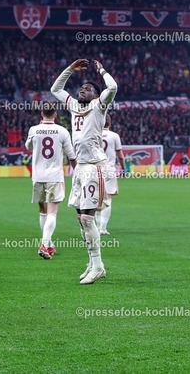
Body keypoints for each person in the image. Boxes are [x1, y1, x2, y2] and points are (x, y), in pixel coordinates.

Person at [51, 58, 117, 285]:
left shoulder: (99, 106)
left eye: (88, 89)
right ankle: (92, 263)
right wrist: (70, 69)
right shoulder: (74, 107)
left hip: (93, 167)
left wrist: (102, 70)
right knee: (81, 219)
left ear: (96, 95)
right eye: (81, 87)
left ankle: (98, 266)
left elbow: (113, 87)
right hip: (79, 168)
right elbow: (56, 89)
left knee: (88, 219)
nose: (82, 90)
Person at [25, 104, 77, 259]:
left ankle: (48, 244)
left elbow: (28, 147)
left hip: (38, 176)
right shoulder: (62, 131)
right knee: (52, 212)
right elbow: (71, 156)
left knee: (43, 210)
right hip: (54, 176)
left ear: (42, 113)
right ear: (55, 114)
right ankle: (44, 243)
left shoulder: (33, 130)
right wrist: (79, 172)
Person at [96, 114, 125, 235]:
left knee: (96, 198)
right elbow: (120, 156)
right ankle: (102, 228)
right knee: (108, 198)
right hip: (108, 169)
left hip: (95, 169)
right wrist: (123, 168)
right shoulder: (114, 136)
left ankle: (97, 227)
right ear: (110, 123)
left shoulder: (94, 134)